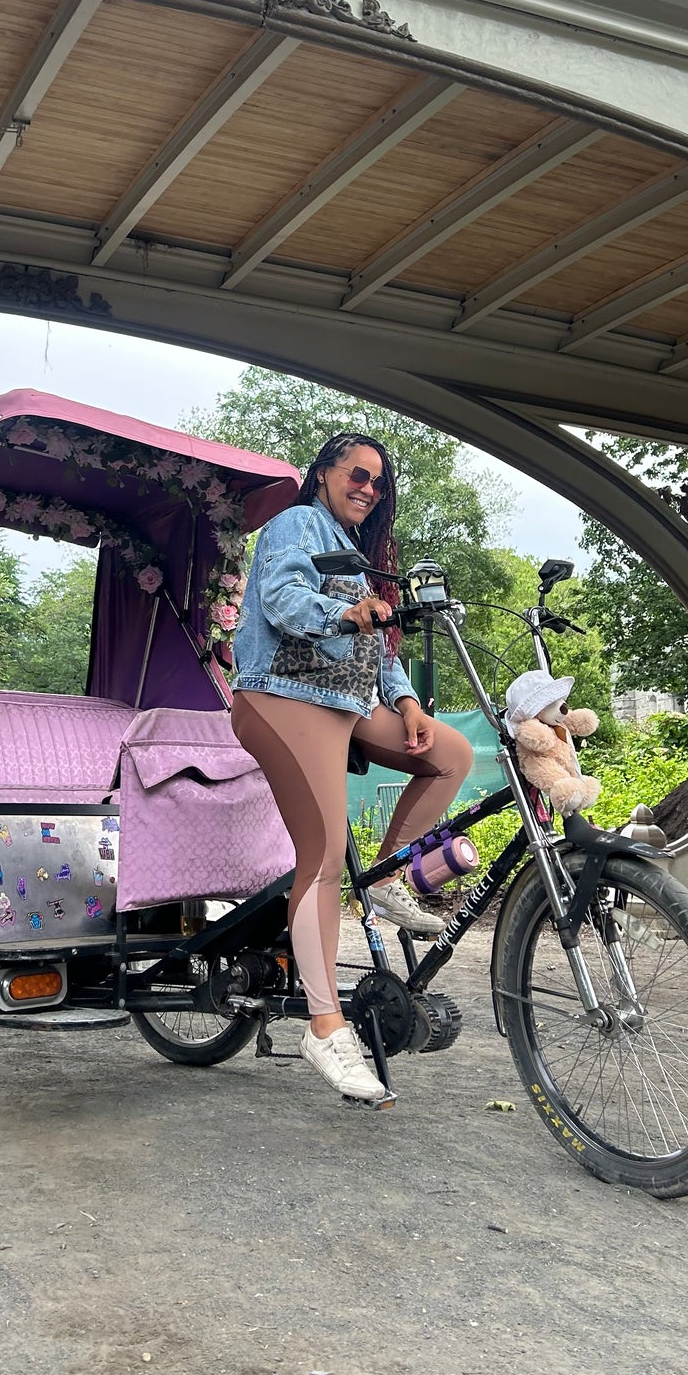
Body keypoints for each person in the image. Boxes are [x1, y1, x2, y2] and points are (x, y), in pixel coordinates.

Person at [230, 432, 474, 1106]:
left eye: (379, 482)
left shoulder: (358, 556)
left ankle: (393, 873)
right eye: (358, 474)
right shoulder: (296, 523)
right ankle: (326, 1025)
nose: (368, 487)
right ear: (323, 474)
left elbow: (376, 641)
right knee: (324, 853)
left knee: (450, 753)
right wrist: (344, 610)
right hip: (279, 695)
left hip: (345, 702)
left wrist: (402, 700)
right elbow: (283, 600)